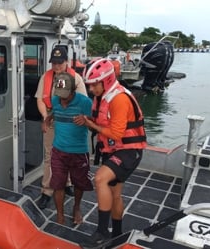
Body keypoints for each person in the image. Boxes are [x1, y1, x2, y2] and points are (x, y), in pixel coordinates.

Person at [78, 58, 147, 248]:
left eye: (93, 86)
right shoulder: (104, 96)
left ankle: (102, 232)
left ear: (105, 80)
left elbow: (116, 133)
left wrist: (90, 124)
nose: (91, 90)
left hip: (129, 151)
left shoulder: (119, 99)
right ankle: (117, 234)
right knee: (115, 194)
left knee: (100, 179)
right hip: (113, 149)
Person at [35, 46, 88, 209]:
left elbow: (83, 103)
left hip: (69, 124)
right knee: (50, 156)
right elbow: (40, 99)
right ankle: (47, 191)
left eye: (60, 62)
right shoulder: (46, 77)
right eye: (54, 62)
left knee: (69, 155)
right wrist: (45, 117)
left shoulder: (76, 79)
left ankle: (68, 183)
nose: (57, 66)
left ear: (66, 62)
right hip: (51, 120)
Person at [43, 72, 93, 225]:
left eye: (66, 96)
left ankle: (76, 208)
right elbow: (53, 112)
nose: (62, 100)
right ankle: (60, 216)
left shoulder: (85, 102)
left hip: (79, 152)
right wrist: (47, 119)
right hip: (58, 151)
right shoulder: (55, 100)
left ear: (74, 91)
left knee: (79, 183)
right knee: (58, 183)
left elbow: (97, 123)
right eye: (60, 96)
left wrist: (86, 121)